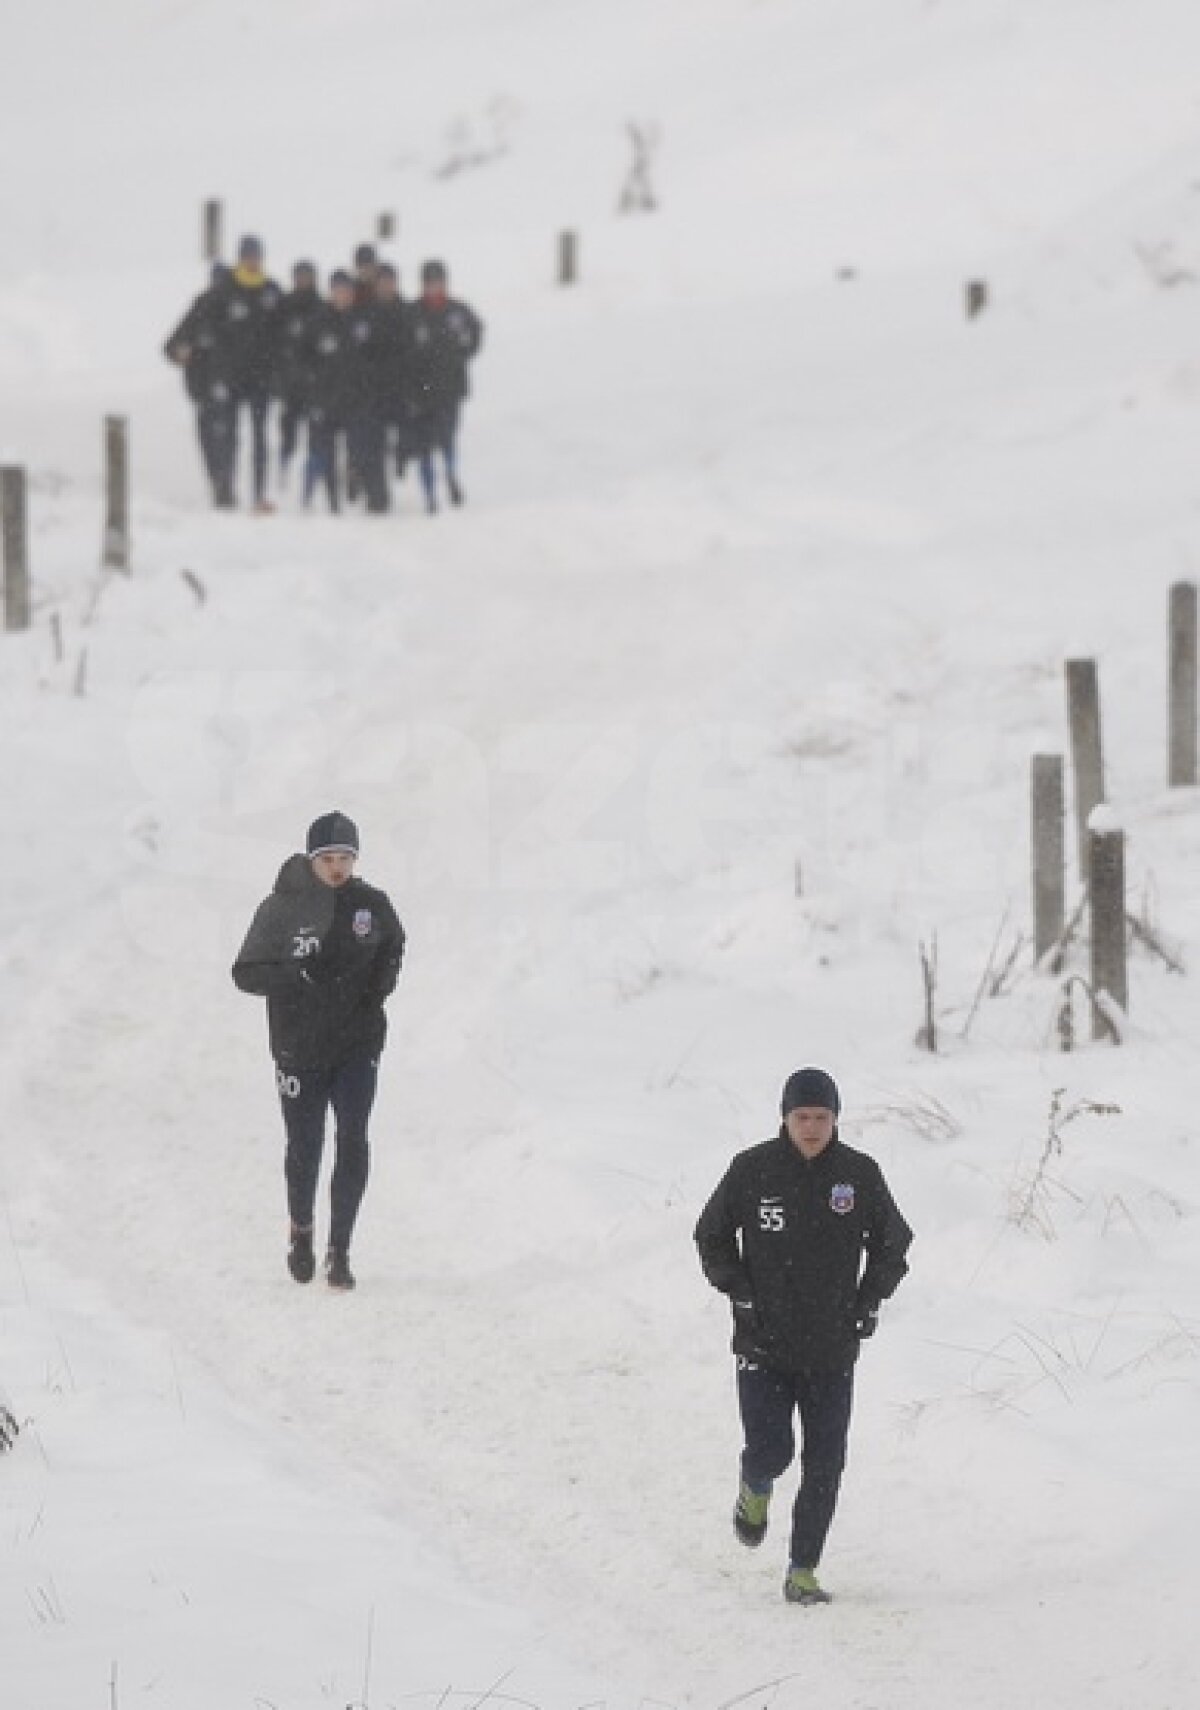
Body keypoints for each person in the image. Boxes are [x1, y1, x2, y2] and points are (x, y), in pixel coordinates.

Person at [694, 1067, 912, 1605]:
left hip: (832, 1349)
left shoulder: (858, 1175)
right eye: (802, 1117)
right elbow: (711, 1236)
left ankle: (802, 1570)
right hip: (762, 1345)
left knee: (825, 1464)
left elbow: (894, 1244)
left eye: (821, 1117)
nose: (811, 1127)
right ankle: (755, 1487)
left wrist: (867, 1302)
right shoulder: (751, 1171)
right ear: (785, 1119)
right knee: (772, 1450)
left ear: (836, 1118)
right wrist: (738, 1292)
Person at [232, 812, 405, 1291]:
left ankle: (340, 1251)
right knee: (305, 1147)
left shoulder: (370, 904)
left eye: (345, 858)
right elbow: (244, 972)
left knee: (353, 1136)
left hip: (357, 1043)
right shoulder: (281, 909)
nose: (336, 868)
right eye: (327, 858)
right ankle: (302, 1231)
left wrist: (377, 991)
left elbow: (394, 944)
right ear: (312, 860)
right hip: (299, 1048)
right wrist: (296, 977)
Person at [202, 233, 282, 512]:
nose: (252, 261)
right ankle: (226, 488)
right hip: (231, 378)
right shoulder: (225, 290)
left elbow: (280, 336)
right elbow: (211, 333)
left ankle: (259, 492)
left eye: (256, 255)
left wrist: (276, 374)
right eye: (247, 256)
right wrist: (217, 375)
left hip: (261, 380)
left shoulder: (272, 290)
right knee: (229, 435)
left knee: (261, 437)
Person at [405, 259, 483, 513]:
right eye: (430, 283)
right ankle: (430, 496)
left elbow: (476, 330)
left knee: (448, 437)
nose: (434, 287)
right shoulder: (413, 313)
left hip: (450, 388)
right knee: (424, 445)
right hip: (421, 390)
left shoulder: (458, 310)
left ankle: (451, 474)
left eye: (438, 282)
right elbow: (403, 349)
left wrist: (466, 351)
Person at [163, 263, 233, 506]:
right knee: (209, 440)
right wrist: (180, 353)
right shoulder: (199, 310)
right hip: (202, 389)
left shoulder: (235, 312)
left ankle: (225, 484)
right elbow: (171, 345)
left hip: (228, 390)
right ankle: (218, 483)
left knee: (224, 439)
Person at [301, 270, 359, 513]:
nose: (342, 295)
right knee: (325, 453)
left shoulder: (361, 320)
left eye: (346, 291)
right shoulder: (318, 322)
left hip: (354, 399)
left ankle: (354, 486)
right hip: (324, 399)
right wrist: (311, 390)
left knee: (356, 450)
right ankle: (332, 501)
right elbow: (301, 359)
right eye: (338, 290)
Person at [274, 260, 323, 483]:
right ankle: (283, 475)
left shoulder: (321, 306)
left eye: (307, 275)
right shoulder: (284, 306)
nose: (303, 280)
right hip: (290, 384)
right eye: (299, 276)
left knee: (315, 437)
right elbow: (272, 344)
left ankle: (310, 482)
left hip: (315, 386)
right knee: (288, 435)